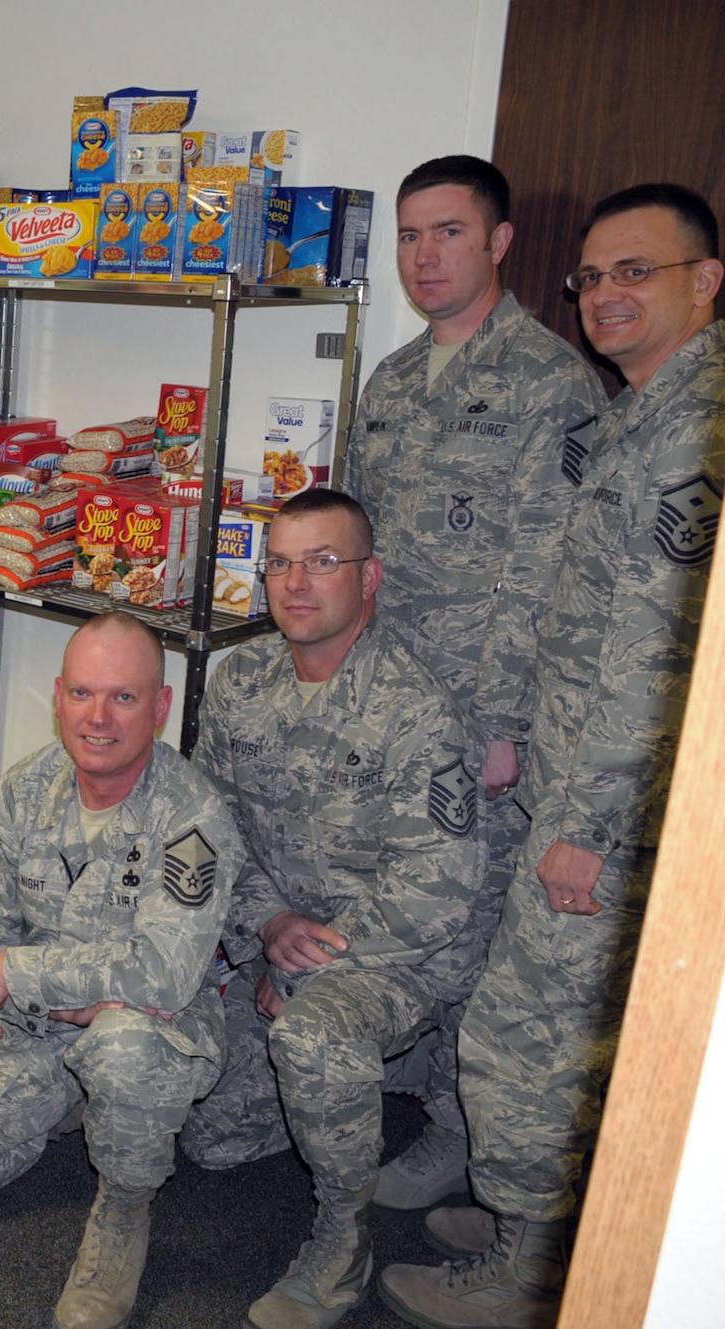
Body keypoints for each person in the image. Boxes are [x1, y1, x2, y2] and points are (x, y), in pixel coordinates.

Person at [379, 184, 724, 1328]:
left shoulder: (690, 430)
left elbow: (651, 651)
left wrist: (582, 821)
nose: (608, 297)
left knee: (524, 1033)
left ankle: (528, 1274)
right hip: (563, 774)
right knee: (537, 1016)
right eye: (595, 279)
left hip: (605, 807)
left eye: (639, 273)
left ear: (704, 283)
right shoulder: (642, 411)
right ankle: (534, 1215)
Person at [341, 157, 607, 1212]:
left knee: (477, 923)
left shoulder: (553, 385)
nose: (424, 256)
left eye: (447, 233)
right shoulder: (392, 382)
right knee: (396, 896)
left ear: (497, 242)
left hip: (479, 714)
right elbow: (354, 552)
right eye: (410, 236)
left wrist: (501, 726)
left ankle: (457, 1134)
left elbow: (544, 576)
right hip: (392, 705)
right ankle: (396, 1090)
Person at [0, 612, 247, 1329]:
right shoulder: (23, 788)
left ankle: (124, 1207)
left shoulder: (192, 814)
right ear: (57, 697)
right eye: (82, 693)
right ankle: (68, 1104)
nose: (98, 717)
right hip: (35, 1027)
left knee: (122, 1046)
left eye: (124, 697)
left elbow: (163, 973)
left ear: (161, 707)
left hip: (148, 1030)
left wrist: (26, 971)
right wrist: (22, 984)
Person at [184, 490, 486, 1329]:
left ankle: (339, 1245)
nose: (297, 582)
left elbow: (440, 882)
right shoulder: (240, 680)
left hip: (396, 957)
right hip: (279, 940)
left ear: (371, 575)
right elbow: (208, 834)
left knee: (313, 1039)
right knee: (211, 1139)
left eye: (323, 560)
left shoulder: (414, 707)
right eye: (279, 561)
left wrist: (313, 963)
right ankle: (344, 1106)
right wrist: (267, 927)